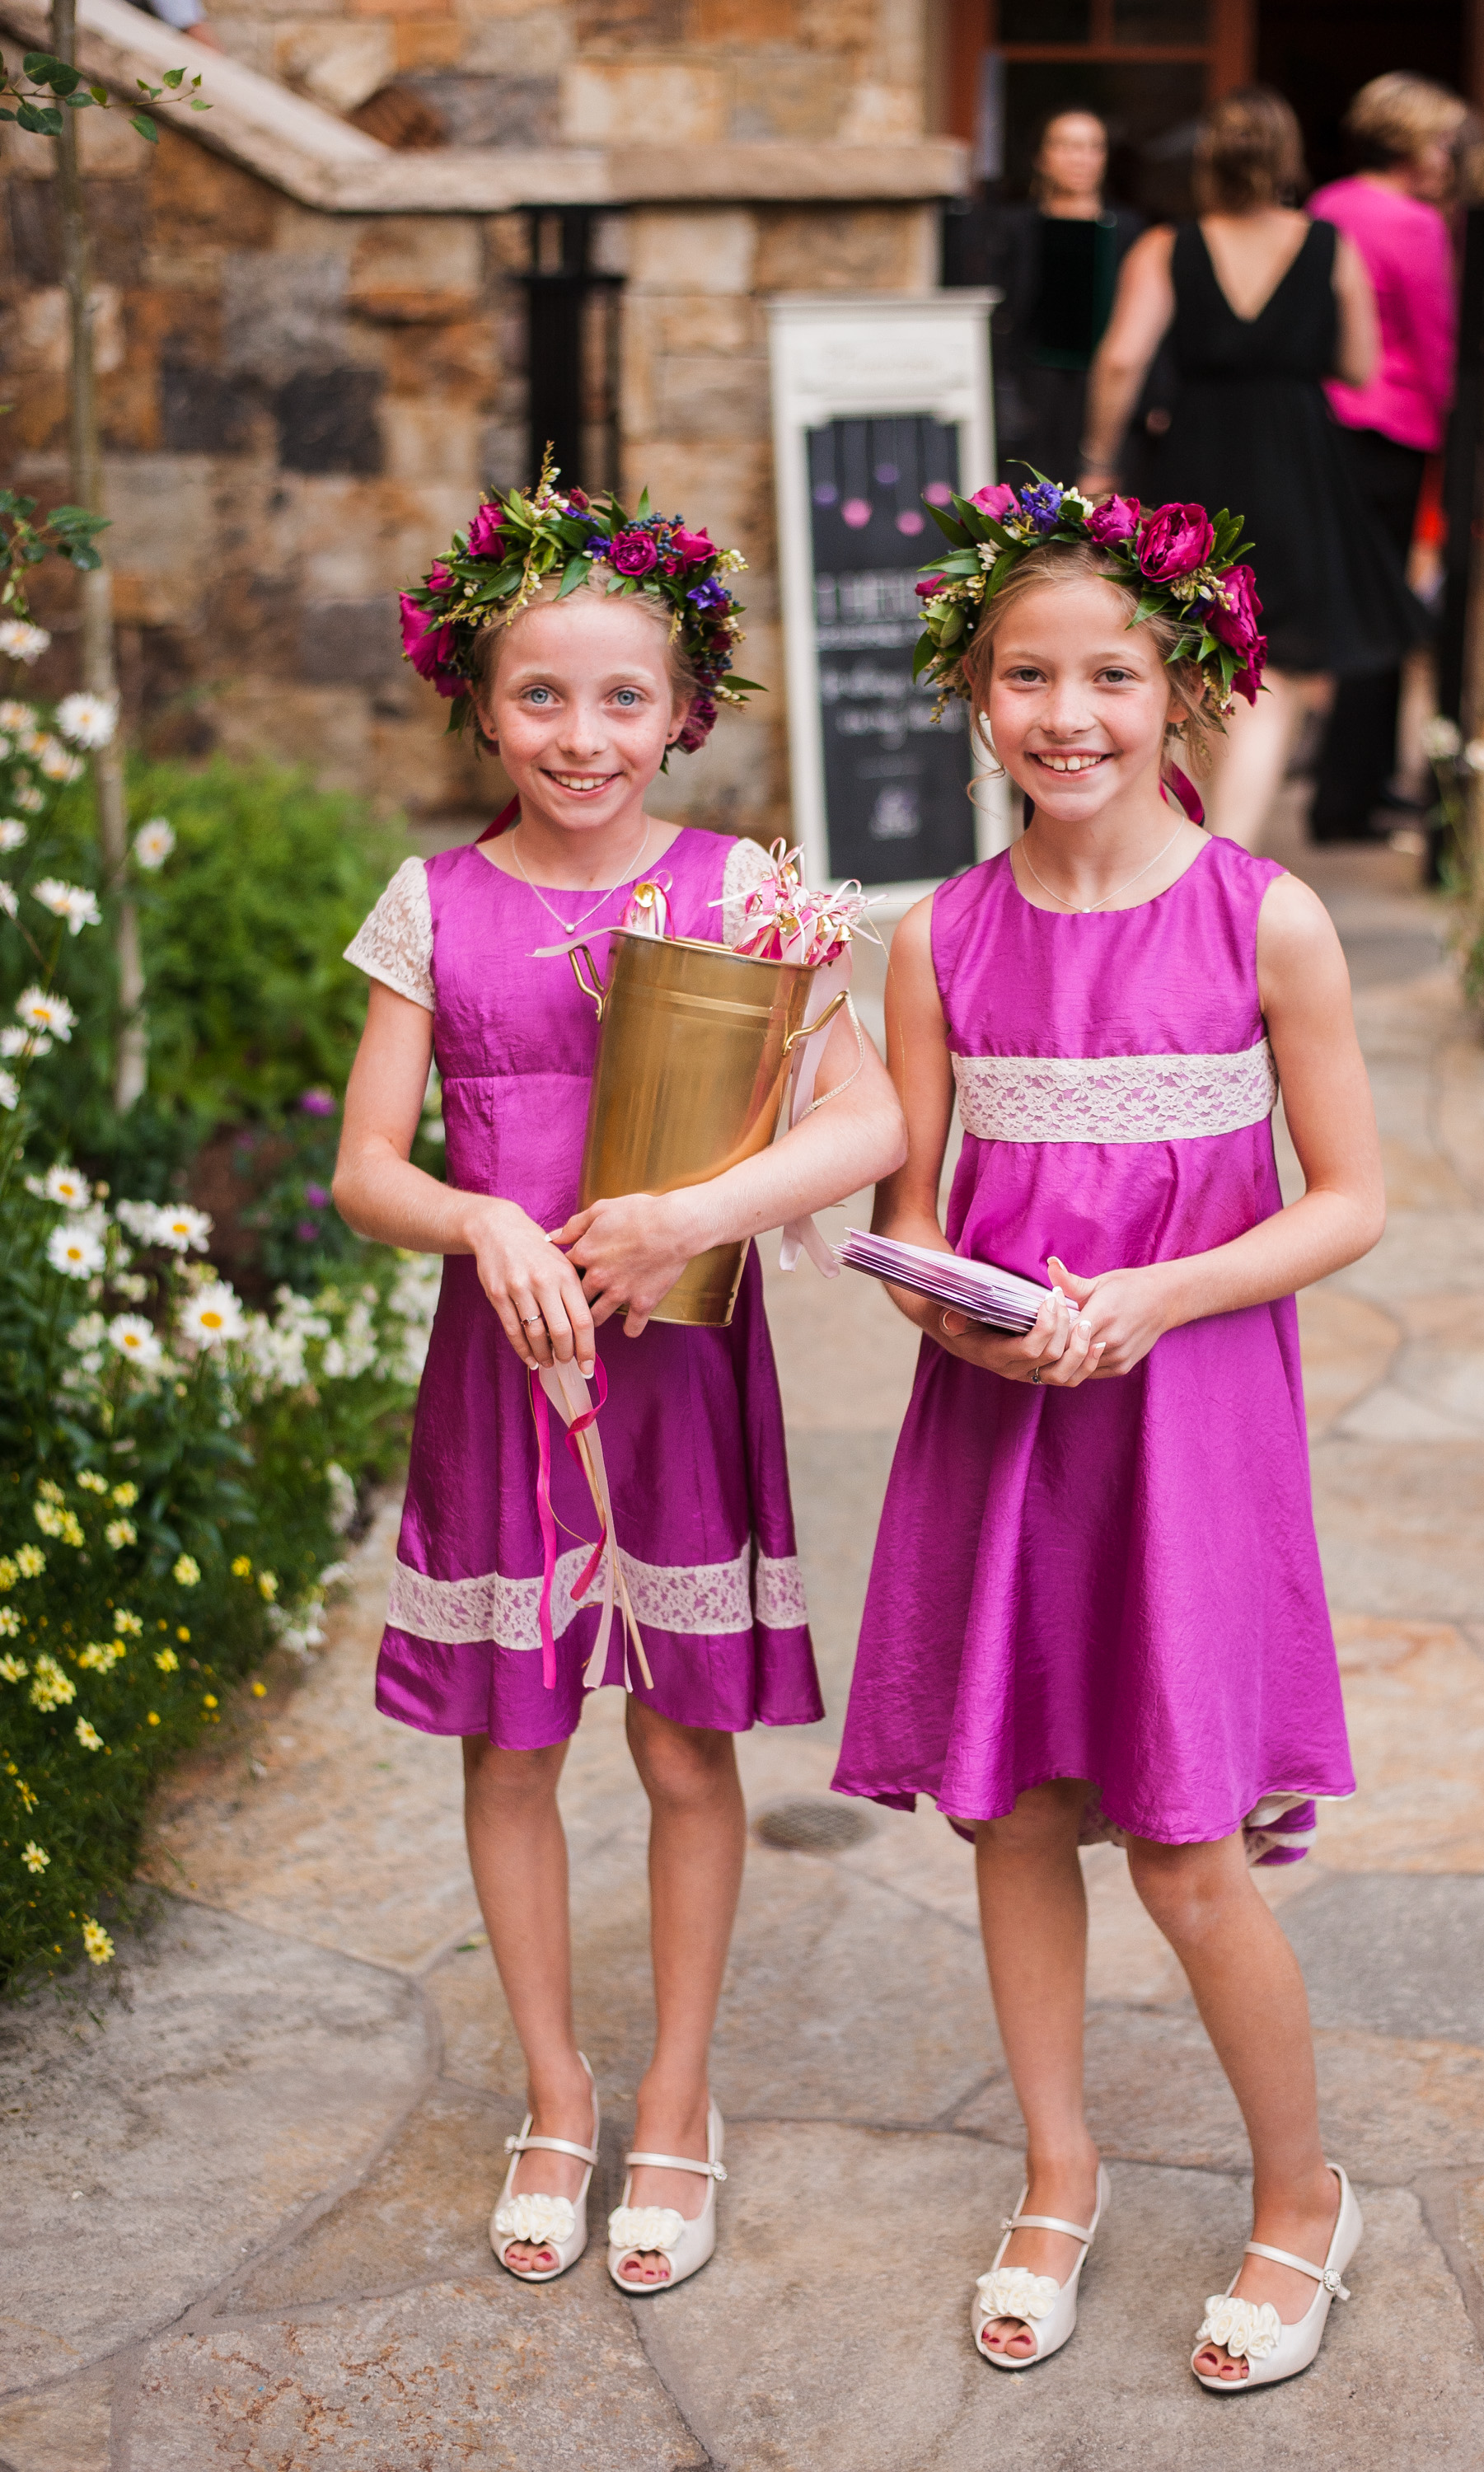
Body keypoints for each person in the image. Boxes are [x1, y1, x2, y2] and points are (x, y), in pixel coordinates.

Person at [835, 482, 1384, 2384]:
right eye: (1025, 675)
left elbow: (1350, 1199)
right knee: (1016, 1810)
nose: (1068, 712)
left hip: (1193, 1414)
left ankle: (1300, 2189)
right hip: (1001, 1425)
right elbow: (909, 1212)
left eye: (1111, 674)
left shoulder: (1265, 918)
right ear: (976, 698)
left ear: (1188, 687)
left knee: (1181, 1841)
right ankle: (1057, 2169)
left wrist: (1161, 1294)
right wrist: (940, 1310)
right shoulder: (939, 937)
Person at [332, 477, 905, 2296]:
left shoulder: (739, 891)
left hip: (676, 1376)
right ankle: (556, 2089)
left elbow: (873, 1114)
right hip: (504, 1373)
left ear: (688, 713)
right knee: (512, 1742)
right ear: (479, 708)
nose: (582, 739)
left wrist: (695, 1214)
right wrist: (480, 1219)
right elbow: (365, 1167)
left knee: (678, 1740)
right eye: (540, 700)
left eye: (622, 701)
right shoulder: (431, 905)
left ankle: (675, 2092)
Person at [1080, 87, 1422, 849]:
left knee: (1192, 664)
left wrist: (1099, 457)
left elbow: (1122, 359)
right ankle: (1228, 856)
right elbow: (1361, 365)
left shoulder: (1169, 247)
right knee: (1278, 678)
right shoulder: (1330, 247)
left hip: (1197, 470)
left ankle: (1184, 850)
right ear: (1286, 160)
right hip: (1298, 469)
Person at [1308, 73, 1467, 840]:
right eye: (1442, 141)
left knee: (1344, 604)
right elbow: (1436, 343)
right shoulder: (1416, 224)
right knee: (1382, 613)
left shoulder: (1327, 205)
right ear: (1408, 142)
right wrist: (1456, 429)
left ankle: (1354, 784)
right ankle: (1349, 797)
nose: (1449, 157)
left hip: (1324, 425)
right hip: (1394, 429)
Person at [969, 109, 1145, 490]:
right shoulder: (1011, 226)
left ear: (1104, 157)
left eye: (1091, 147)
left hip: (1104, 389)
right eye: (1065, 146)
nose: (1079, 158)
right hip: (1030, 390)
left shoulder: (1129, 229)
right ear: (1041, 157)